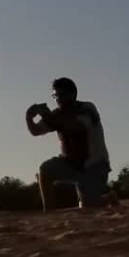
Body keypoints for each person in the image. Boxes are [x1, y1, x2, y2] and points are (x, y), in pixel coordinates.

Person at [26, 76, 113, 211]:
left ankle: (109, 197)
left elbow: (76, 127)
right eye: (54, 95)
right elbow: (36, 131)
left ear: (73, 93)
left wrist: (49, 117)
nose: (57, 99)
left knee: (89, 208)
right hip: (70, 164)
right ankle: (48, 211)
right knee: (45, 170)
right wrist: (29, 118)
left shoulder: (87, 108)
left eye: (61, 94)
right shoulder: (56, 114)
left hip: (94, 165)